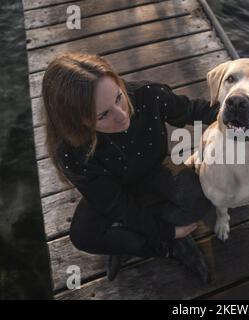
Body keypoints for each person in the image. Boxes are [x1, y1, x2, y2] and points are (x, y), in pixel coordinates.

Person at [41, 52, 220, 283]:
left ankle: (135, 237)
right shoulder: (71, 150)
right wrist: (168, 232)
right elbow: (116, 204)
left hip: (155, 168)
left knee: (199, 198)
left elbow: (192, 110)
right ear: (77, 121)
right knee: (83, 235)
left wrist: (240, 119)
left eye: (119, 97)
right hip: (112, 189)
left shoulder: (149, 95)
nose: (122, 114)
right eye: (103, 115)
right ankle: (166, 247)